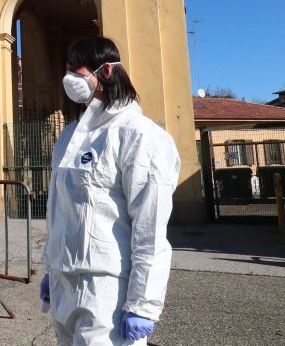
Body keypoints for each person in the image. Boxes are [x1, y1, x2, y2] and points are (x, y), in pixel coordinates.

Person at [40, 37, 181, 345]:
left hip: (106, 288)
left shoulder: (140, 136)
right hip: (65, 282)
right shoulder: (69, 136)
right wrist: (51, 268)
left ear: (105, 71)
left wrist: (143, 304)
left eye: (75, 70)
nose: (69, 78)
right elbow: (57, 210)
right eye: (66, 70)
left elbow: (150, 228)